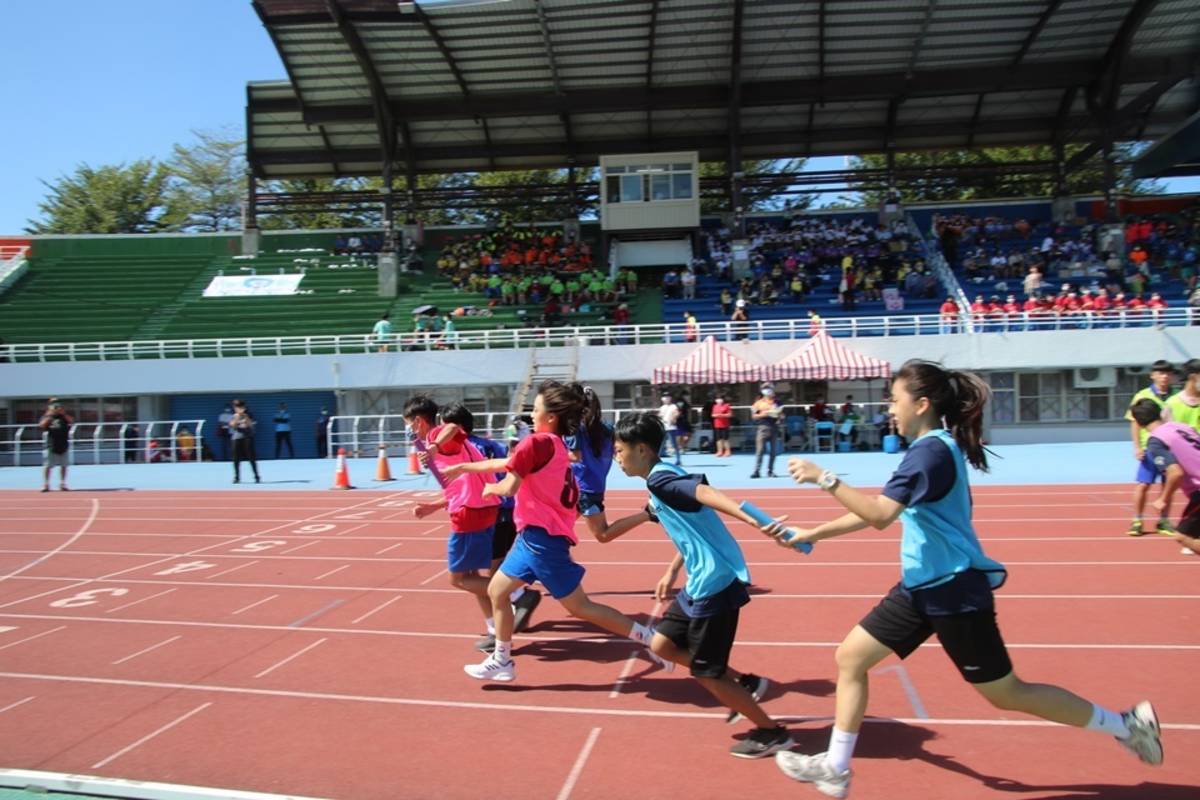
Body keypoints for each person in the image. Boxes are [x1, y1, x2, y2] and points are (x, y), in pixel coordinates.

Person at [765, 360, 1163, 798]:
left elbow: (879, 515)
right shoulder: (927, 450)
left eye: (894, 400)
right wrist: (814, 533)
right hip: (921, 588)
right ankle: (836, 768)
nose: (889, 409)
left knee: (1007, 692)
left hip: (953, 592)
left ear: (921, 403)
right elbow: (880, 508)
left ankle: (1125, 724)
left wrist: (824, 477)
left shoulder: (931, 452)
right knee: (851, 658)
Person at [443, 381, 672, 682]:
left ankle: (651, 639)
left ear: (551, 416)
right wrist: (466, 469)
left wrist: (489, 488)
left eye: (535, 409)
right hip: (532, 537)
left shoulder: (535, 443)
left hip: (541, 540)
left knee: (581, 607)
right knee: (497, 590)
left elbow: (509, 484)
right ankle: (501, 660)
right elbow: (510, 463)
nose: (531, 414)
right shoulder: (556, 446)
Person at [608, 412, 792, 759]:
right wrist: (672, 571)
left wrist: (757, 520)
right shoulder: (662, 480)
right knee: (661, 644)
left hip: (715, 584)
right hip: (699, 580)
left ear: (643, 450)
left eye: (619, 451)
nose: (616, 458)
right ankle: (747, 685)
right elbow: (692, 530)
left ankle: (772, 732)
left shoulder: (663, 482)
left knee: (707, 673)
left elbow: (705, 493)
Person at [405, 397, 509, 651]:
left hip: (471, 513)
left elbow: (452, 428)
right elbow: (458, 485)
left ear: (418, 421)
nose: (407, 430)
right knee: (471, 575)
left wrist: (433, 446)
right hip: (483, 507)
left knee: (457, 578)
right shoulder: (441, 444)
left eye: (408, 424)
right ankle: (494, 630)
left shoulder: (438, 435)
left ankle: (513, 594)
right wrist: (433, 506)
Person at [438, 403, 543, 651]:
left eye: (444, 425)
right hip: (508, 511)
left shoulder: (464, 448)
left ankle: (517, 600)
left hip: (491, 512)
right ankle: (508, 621)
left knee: (487, 578)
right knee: (488, 574)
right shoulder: (491, 445)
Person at [1131, 398, 1200, 557]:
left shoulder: (1155, 442)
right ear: (1160, 413)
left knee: (1184, 537)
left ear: (1139, 424)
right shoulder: (1183, 427)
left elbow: (1175, 472)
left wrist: (1163, 498)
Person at [564, 384, 624, 543]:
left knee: (602, 534)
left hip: (582, 488)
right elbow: (617, 454)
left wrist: (552, 455)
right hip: (593, 486)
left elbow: (575, 456)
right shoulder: (606, 429)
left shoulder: (574, 429)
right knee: (559, 529)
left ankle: (646, 514)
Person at [1124, 360, 1177, 536]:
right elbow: (1134, 422)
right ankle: (1137, 520)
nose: (1164, 376)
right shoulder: (1142, 395)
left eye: (1168, 373)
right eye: (1160, 373)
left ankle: (1163, 521)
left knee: (1167, 485)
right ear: (1152, 375)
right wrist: (1137, 446)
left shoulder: (1177, 396)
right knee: (1143, 484)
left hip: (1171, 447)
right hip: (1150, 447)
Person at [38, 400, 72, 492]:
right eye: (54, 406)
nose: (57, 408)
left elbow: (71, 421)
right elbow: (41, 425)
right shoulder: (47, 416)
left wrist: (63, 413)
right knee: (48, 466)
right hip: (51, 445)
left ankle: (62, 483)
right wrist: (50, 415)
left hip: (63, 444)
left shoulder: (63, 416)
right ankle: (46, 484)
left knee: (64, 465)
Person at [750, 384, 782, 479]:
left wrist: (776, 415)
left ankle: (770, 471)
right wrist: (765, 414)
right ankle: (757, 471)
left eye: (769, 388)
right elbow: (754, 416)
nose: (767, 391)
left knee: (773, 451)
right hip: (762, 428)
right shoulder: (758, 403)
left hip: (774, 427)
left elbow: (780, 414)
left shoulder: (777, 402)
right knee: (759, 450)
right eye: (765, 389)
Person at [228, 399, 260, 484]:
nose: (238, 408)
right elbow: (232, 425)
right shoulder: (233, 416)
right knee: (236, 459)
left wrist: (245, 416)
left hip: (247, 438)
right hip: (236, 438)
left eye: (240, 407)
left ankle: (256, 476)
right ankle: (237, 477)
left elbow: (250, 426)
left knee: (251, 457)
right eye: (236, 407)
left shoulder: (248, 415)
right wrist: (237, 417)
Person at [658, 393, 682, 465]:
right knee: (660, 444)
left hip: (671, 428)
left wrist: (673, 418)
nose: (665, 399)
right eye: (664, 397)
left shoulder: (673, 406)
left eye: (667, 397)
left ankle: (678, 460)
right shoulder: (662, 407)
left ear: (670, 398)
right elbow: (660, 415)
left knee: (674, 444)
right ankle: (657, 459)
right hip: (663, 427)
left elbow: (677, 413)